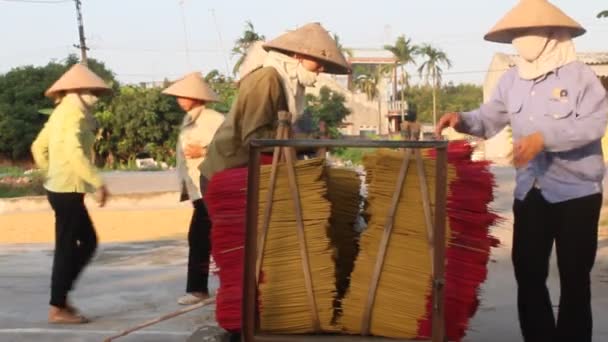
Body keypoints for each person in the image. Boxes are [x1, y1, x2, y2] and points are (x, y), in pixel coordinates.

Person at [435, 1, 608, 341]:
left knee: (575, 278)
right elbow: (489, 118)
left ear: (550, 34)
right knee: (528, 275)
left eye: (529, 33)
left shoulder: (580, 77)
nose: (522, 41)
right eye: (517, 34)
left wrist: (545, 139)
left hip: (578, 193)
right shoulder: (512, 79)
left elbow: (594, 125)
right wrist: (462, 120)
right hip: (531, 191)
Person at [199, 22, 351, 339]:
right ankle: (241, 325)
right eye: (317, 61)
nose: (320, 68)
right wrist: (305, 143)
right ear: (297, 54)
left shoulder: (287, 86)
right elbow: (256, 138)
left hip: (249, 176)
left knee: (266, 255)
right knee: (243, 258)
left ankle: (261, 318)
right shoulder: (267, 78)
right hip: (229, 176)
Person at [31, 63, 112, 324]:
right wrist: (97, 182)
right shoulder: (73, 115)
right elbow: (75, 153)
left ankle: (61, 300)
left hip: (60, 188)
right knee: (74, 246)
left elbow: (37, 147)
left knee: (81, 243)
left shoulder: (59, 113)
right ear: (78, 90)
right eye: (90, 91)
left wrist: (50, 172)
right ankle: (58, 305)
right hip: (68, 189)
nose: (93, 97)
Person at [161, 72, 225, 305]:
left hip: (211, 184)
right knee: (202, 237)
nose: (179, 99)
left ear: (196, 97)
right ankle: (202, 287)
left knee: (204, 236)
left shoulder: (213, 118)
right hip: (198, 187)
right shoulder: (189, 119)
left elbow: (230, 148)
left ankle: (201, 288)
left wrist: (204, 152)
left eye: (183, 95)